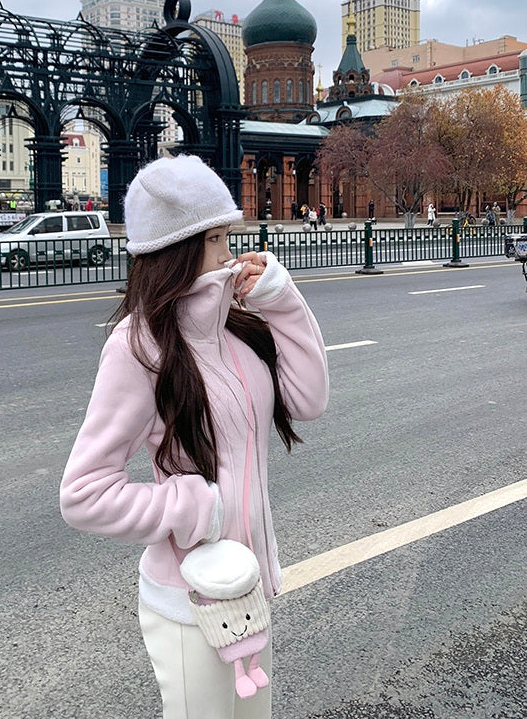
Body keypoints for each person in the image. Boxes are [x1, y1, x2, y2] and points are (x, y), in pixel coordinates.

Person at [60, 155, 329, 719]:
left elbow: (309, 401)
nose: (230, 254)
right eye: (216, 238)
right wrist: (198, 506)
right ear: (179, 250)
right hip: (187, 600)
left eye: (229, 235)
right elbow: (83, 492)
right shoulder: (140, 346)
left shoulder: (236, 324)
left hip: (246, 586)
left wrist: (282, 301)